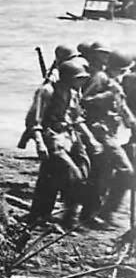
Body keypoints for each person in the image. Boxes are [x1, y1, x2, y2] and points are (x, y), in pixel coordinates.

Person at [25, 56, 93, 229]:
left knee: (75, 172)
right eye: (78, 78)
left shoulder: (73, 93)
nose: (81, 82)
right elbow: (34, 121)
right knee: (72, 176)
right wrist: (40, 143)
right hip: (52, 140)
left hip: (69, 138)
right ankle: (67, 219)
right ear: (67, 77)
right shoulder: (47, 91)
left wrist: (89, 139)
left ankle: (42, 217)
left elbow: (76, 118)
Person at [79, 44, 135, 229]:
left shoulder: (113, 82)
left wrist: (130, 121)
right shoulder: (101, 79)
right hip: (99, 132)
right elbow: (83, 101)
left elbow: (122, 107)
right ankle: (97, 213)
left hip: (110, 133)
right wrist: (106, 96)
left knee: (103, 173)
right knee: (124, 171)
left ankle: (94, 213)